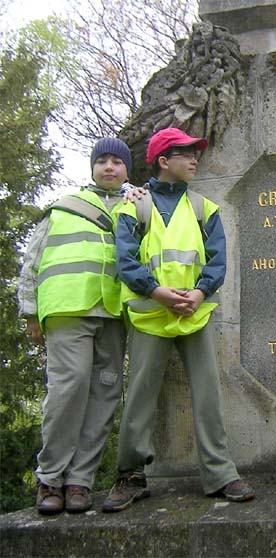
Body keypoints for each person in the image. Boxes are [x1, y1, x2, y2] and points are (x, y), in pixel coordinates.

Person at [101, 127, 254, 512]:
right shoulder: (134, 207)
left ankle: (220, 474)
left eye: (195, 152)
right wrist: (156, 292)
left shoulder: (205, 208)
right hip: (150, 315)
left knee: (208, 394)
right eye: (186, 153)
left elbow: (217, 259)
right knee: (140, 395)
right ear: (164, 161)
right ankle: (131, 476)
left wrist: (200, 293)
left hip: (195, 314)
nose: (194, 159)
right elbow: (126, 260)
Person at [18, 138, 133, 514]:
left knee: (105, 394)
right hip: (68, 309)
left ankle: (79, 481)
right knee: (68, 389)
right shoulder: (64, 206)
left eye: (117, 161)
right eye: (102, 161)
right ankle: (50, 479)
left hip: (114, 313)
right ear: (92, 167)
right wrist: (30, 311)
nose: (109, 167)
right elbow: (33, 260)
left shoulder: (137, 205)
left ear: (127, 169)